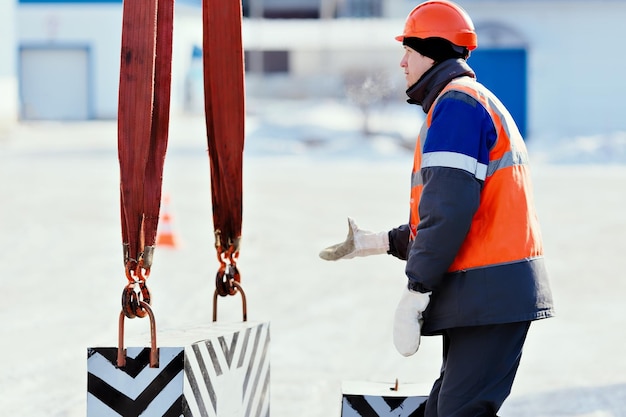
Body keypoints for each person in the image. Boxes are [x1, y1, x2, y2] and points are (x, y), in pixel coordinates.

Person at [319, 1, 555, 416]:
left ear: (432, 51)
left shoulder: (456, 108)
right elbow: (454, 215)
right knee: (443, 409)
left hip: (490, 292)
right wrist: (377, 242)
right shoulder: (462, 102)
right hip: (487, 291)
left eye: (408, 50)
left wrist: (416, 289)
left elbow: (448, 212)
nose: (402, 62)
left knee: (457, 412)